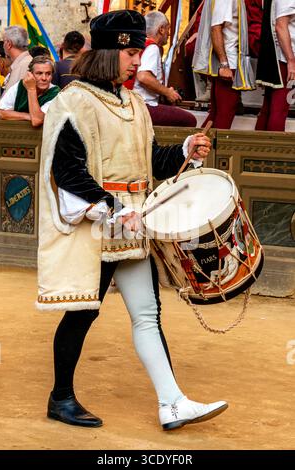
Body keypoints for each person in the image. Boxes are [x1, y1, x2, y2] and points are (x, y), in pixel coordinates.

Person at [36, 9, 228, 431]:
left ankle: (172, 402)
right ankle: (60, 398)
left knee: (147, 314)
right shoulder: (72, 102)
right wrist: (113, 208)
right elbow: (67, 171)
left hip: (132, 227)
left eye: (139, 52)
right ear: (109, 52)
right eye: (131, 52)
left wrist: (184, 151)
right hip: (99, 225)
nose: (137, 60)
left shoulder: (135, 104)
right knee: (83, 312)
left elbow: (150, 162)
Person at [193, 0, 255, 129]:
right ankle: (210, 148)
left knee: (217, 113)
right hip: (228, 61)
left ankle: (197, 146)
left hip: (227, 59)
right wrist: (224, 64)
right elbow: (216, 28)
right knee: (225, 112)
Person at [133, 11, 197, 127]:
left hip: (135, 103)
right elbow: (143, 76)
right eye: (168, 29)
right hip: (144, 105)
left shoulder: (140, 44)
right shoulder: (152, 48)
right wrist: (167, 92)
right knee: (190, 120)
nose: (168, 33)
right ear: (161, 29)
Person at [255, 0, 295, 131]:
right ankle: (274, 150)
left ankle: (259, 148)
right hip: (284, 59)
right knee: (280, 109)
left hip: (278, 56)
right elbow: (280, 26)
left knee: (268, 107)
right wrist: (291, 60)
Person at [0, 55, 59, 127]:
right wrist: (29, 116)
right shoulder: (20, 86)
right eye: (39, 73)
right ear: (30, 74)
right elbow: (2, 113)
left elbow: (36, 120)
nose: (44, 78)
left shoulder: (55, 92)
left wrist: (31, 89)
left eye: (48, 73)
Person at [2, 26, 32, 94]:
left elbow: (13, 99)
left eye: (3, 42)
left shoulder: (23, 65)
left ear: (9, 44)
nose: (3, 45)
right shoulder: (22, 62)